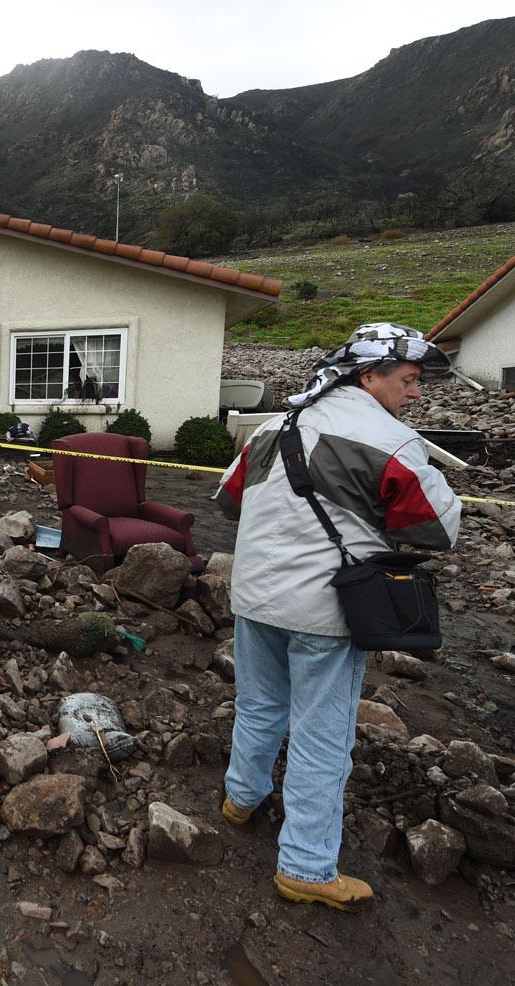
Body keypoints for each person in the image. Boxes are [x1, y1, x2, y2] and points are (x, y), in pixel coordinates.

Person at [213, 323, 461, 912]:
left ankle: (240, 800)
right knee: (323, 738)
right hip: (326, 611)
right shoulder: (391, 440)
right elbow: (438, 528)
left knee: (258, 705)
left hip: (254, 598)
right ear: (367, 376)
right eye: (408, 379)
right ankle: (304, 865)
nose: (416, 393)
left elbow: (227, 500)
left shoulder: (275, 427)